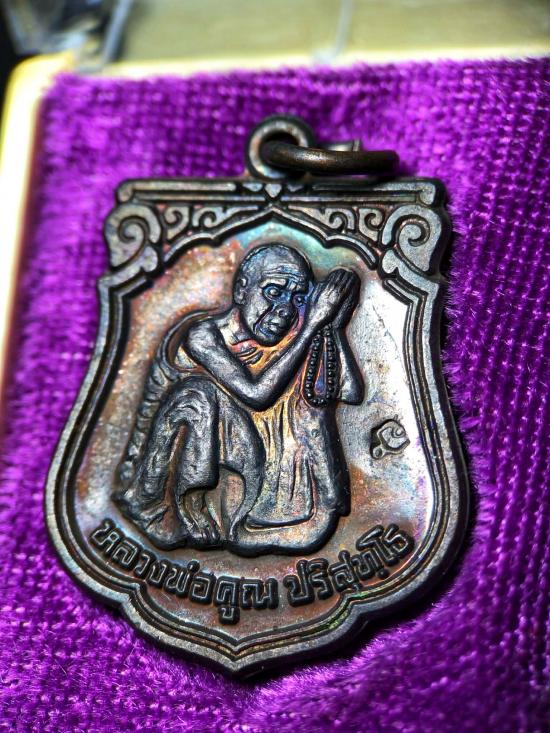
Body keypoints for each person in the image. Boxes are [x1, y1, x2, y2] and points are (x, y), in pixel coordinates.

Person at [114, 243, 363, 556]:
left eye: (298, 298)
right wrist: (312, 324)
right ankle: (190, 509)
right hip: (182, 454)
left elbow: (350, 392)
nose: (286, 310)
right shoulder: (204, 336)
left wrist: (331, 326)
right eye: (274, 292)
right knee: (199, 396)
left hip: (252, 454)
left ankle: (277, 515)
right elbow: (256, 395)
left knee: (303, 403)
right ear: (242, 290)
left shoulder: (290, 339)